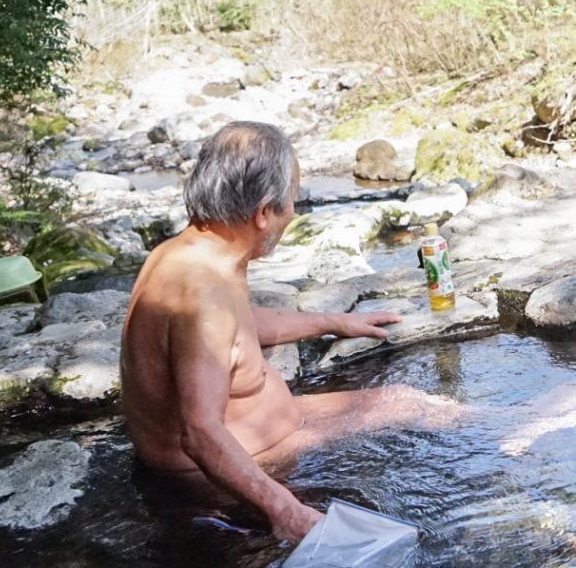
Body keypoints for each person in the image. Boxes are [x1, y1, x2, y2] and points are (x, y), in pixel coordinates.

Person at [121, 121, 462, 542]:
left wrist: (333, 322)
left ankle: (527, 425)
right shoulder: (201, 290)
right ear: (263, 213)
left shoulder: (191, 253)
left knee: (406, 401)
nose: (294, 213)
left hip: (271, 433)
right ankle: (530, 431)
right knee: (416, 411)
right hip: (210, 480)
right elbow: (200, 432)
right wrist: (285, 510)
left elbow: (235, 329)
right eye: (291, 201)